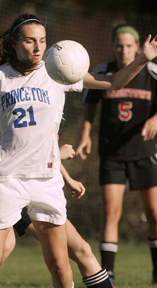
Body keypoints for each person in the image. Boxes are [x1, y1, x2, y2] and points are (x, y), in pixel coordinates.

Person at [0, 13, 157, 288]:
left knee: (60, 266)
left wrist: (142, 58)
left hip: (45, 181)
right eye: (30, 41)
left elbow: (114, 82)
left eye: (42, 41)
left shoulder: (58, 72)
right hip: (4, 180)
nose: (37, 47)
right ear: (14, 43)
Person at [76, 24, 157, 286]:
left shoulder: (153, 72)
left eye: (129, 46)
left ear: (138, 47)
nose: (124, 50)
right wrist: (85, 134)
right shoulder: (102, 72)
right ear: (113, 47)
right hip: (112, 153)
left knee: (154, 213)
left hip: (146, 152)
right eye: (119, 45)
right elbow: (90, 107)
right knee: (111, 211)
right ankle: (107, 274)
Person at [0, 142, 115, 288]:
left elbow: (44, 151)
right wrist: (58, 154)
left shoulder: (55, 119)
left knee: (81, 250)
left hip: (36, 189)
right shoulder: (24, 120)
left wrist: (67, 178)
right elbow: (25, 154)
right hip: (8, 186)